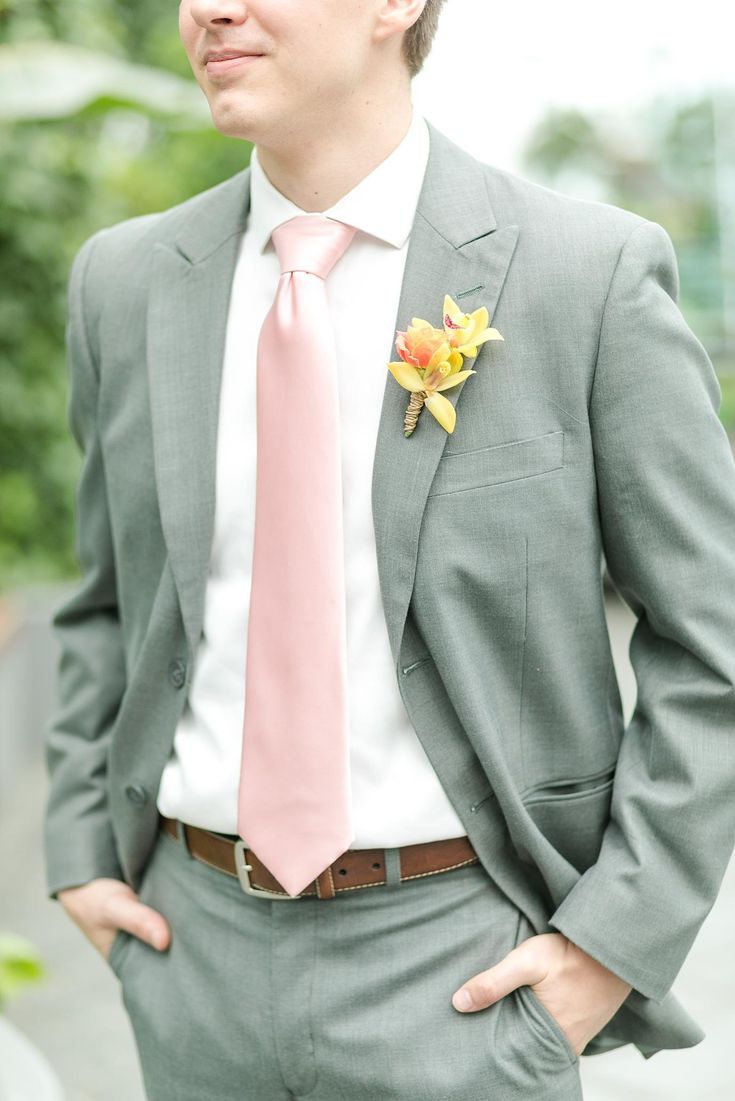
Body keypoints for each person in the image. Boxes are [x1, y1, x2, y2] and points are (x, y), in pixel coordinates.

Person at [43, 1, 735, 1098]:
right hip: (189, 959)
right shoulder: (124, 283)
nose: (207, 10)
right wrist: (79, 854)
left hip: (465, 972)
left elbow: (714, 640)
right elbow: (105, 603)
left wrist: (611, 945)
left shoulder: (582, 274)